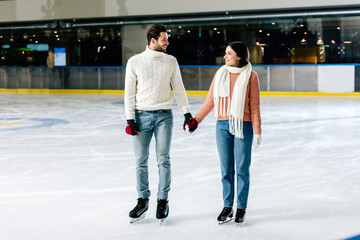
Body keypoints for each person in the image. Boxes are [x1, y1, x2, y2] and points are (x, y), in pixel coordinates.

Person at [124, 24, 195, 223]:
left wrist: (187, 114)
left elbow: (179, 89)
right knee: (141, 160)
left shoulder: (171, 61)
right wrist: (130, 118)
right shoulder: (135, 62)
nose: (167, 42)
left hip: (164, 115)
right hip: (141, 116)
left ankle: (162, 200)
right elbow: (129, 92)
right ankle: (142, 199)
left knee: (163, 159)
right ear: (153, 40)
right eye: (164, 39)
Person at [192, 41, 262, 224]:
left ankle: (241, 207)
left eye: (229, 53)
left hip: (242, 126)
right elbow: (210, 101)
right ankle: (227, 206)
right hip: (222, 126)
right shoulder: (220, 74)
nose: (225, 57)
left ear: (239, 56)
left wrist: (258, 130)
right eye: (225, 53)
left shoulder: (251, 76)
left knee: (241, 169)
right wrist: (196, 119)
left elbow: (254, 107)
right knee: (226, 170)